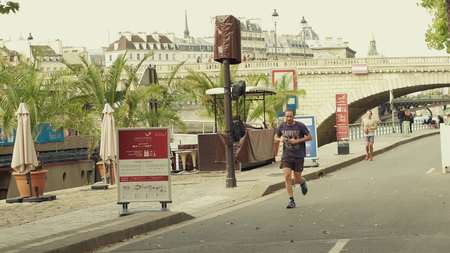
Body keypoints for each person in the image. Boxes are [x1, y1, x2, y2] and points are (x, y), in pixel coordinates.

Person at [275, 109, 312, 209]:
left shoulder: (300, 126)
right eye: (287, 116)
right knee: (287, 176)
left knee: (297, 179)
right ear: (285, 117)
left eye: (290, 116)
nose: (289, 118)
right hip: (287, 155)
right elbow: (275, 137)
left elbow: (309, 137)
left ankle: (302, 182)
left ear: (293, 116)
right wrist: (280, 139)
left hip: (298, 155)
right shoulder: (282, 126)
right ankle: (291, 200)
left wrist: (297, 141)